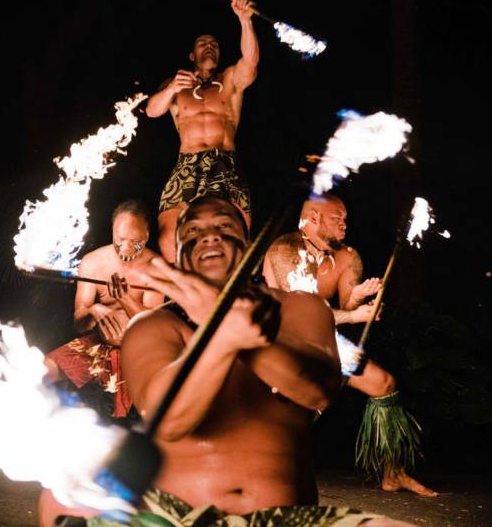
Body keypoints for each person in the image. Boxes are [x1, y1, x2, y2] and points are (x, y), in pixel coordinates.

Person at [39, 196, 413, 526]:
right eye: (194, 231)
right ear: (180, 256)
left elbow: (317, 390)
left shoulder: (300, 309)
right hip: (172, 517)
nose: (209, 235)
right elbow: (168, 419)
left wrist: (234, 326)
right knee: (63, 498)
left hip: (281, 519)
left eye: (223, 225)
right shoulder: (153, 326)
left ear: (249, 245)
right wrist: (220, 333)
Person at [263, 194, 437, 497]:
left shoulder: (348, 257)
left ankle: (392, 472)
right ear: (314, 218)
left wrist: (360, 300)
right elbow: (301, 313)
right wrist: (354, 313)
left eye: (345, 217)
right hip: (280, 341)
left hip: (323, 340)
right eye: (337, 217)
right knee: (293, 412)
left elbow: (344, 310)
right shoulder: (286, 249)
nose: (345, 223)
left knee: (384, 384)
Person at [145, 0, 258, 263]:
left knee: (236, 232)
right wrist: (172, 87)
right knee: (168, 237)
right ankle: (182, 293)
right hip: (188, 161)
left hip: (224, 159)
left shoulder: (230, 79)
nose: (209, 47)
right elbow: (151, 111)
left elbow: (250, 62)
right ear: (192, 55)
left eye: (214, 44)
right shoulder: (176, 84)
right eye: (202, 44)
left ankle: (226, 287)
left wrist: (245, 21)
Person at [44, 199, 163, 417]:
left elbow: (153, 327)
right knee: (43, 371)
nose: (126, 248)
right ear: (112, 232)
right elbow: (78, 323)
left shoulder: (156, 267)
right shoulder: (93, 262)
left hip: (137, 350)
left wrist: (126, 298)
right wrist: (93, 311)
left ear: (146, 235)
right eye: (120, 240)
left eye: (135, 241)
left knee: (140, 410)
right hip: (97, 345)